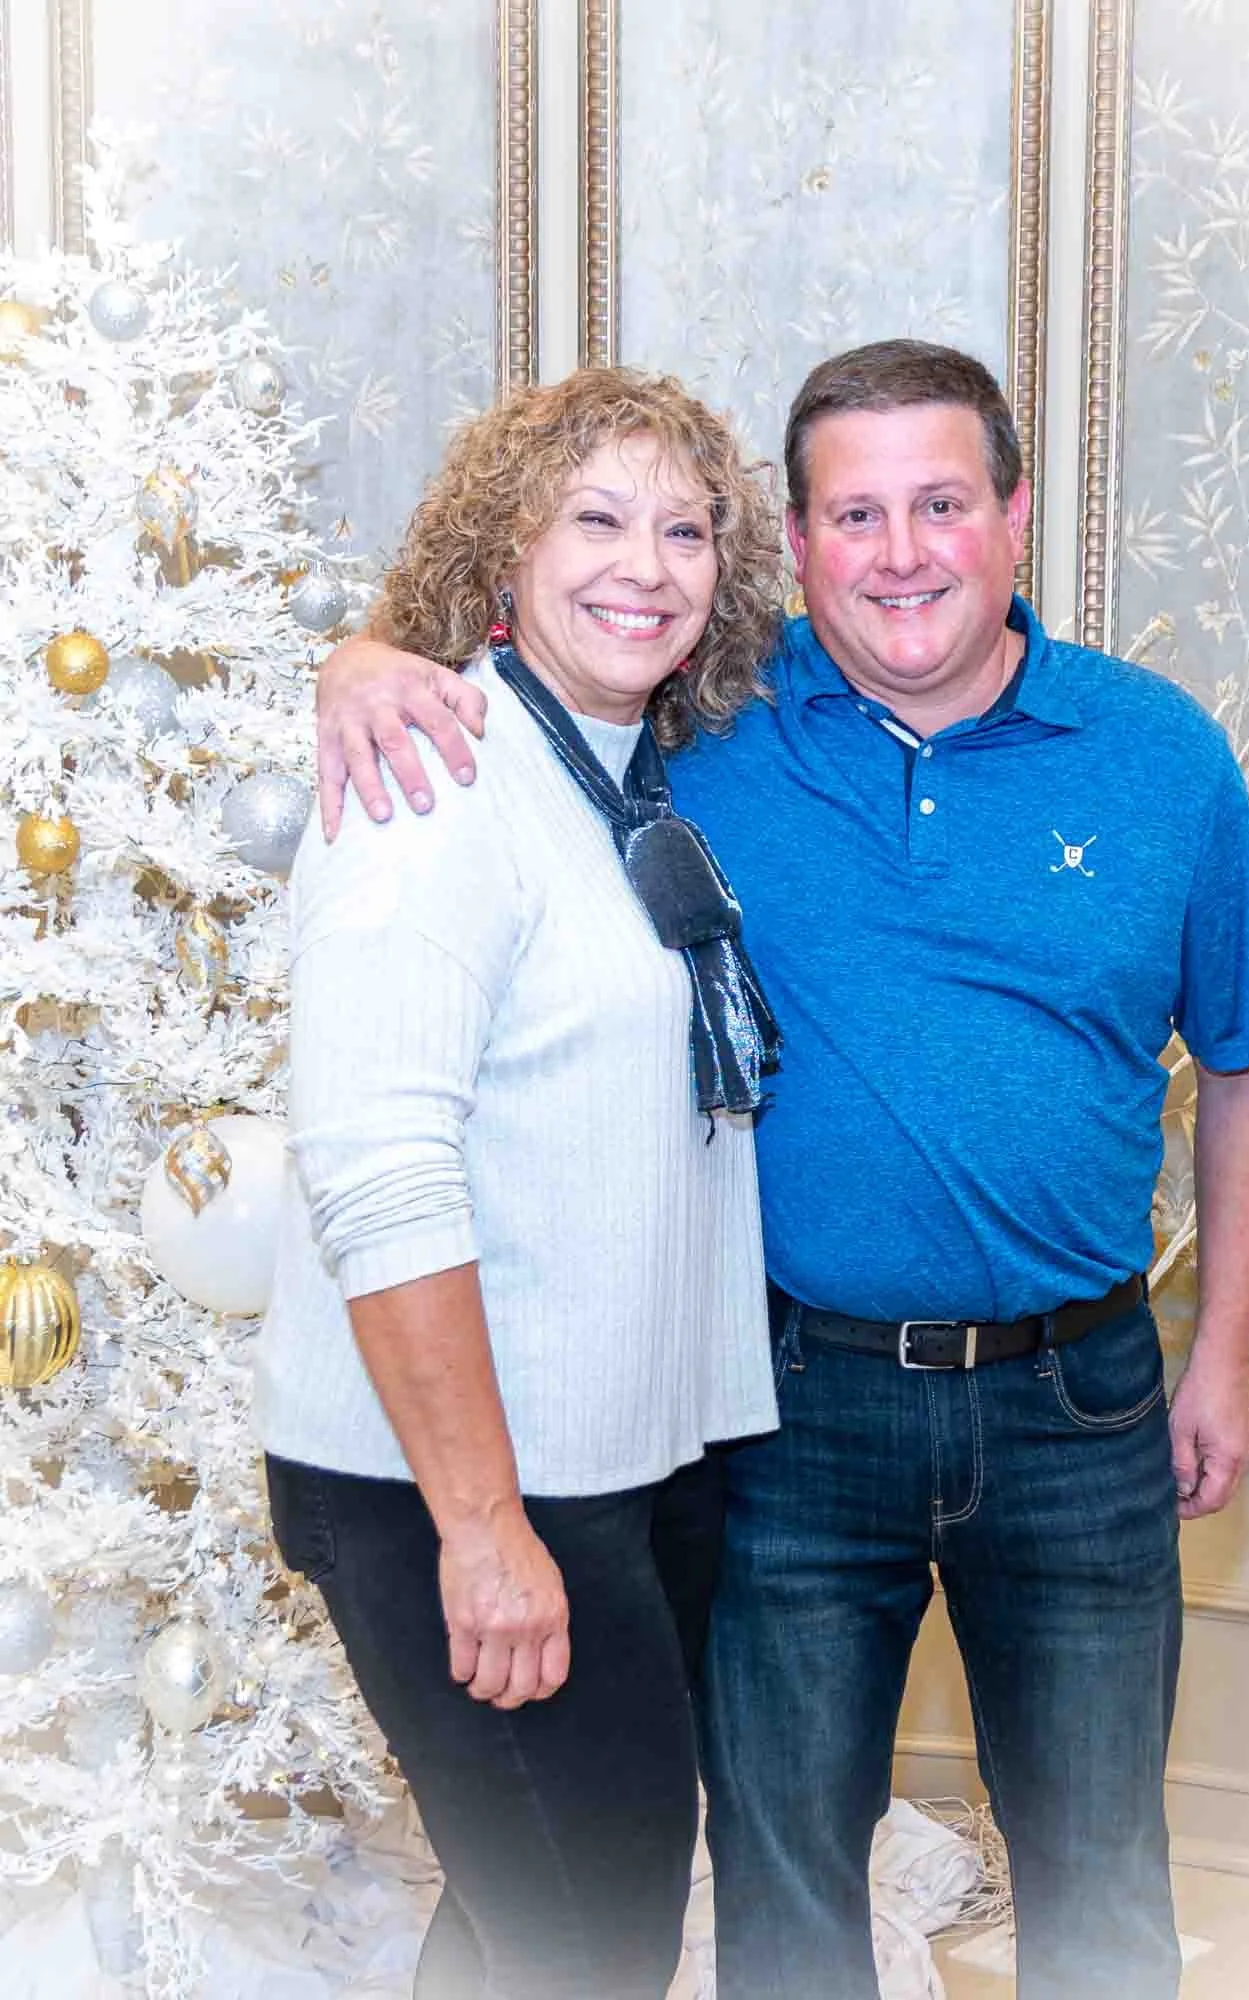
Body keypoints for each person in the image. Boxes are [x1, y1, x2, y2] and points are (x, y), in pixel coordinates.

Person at [313, 339, 1249, 2000]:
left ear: (1013, 515)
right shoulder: (714, 720)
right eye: (856, 513)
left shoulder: (1159, 755)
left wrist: (1227, 1356)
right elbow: (512, 671)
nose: (901, 550)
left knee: (1101, 1871)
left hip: (1083, 1405)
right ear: (799, 531)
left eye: (939, 503)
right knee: (779, 1877)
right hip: (788, 1412)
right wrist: (353, 661)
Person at [255, 366, 787, 1999]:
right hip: (462, 1487)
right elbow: (379, 1167)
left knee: (531, 1912)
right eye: (599, 519)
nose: (649, 563)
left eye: (686, 528)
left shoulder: (618, 781)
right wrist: (480, 1529)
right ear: (504, 548)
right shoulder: (436, 778)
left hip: (614, 1464)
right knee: (590, 1932)